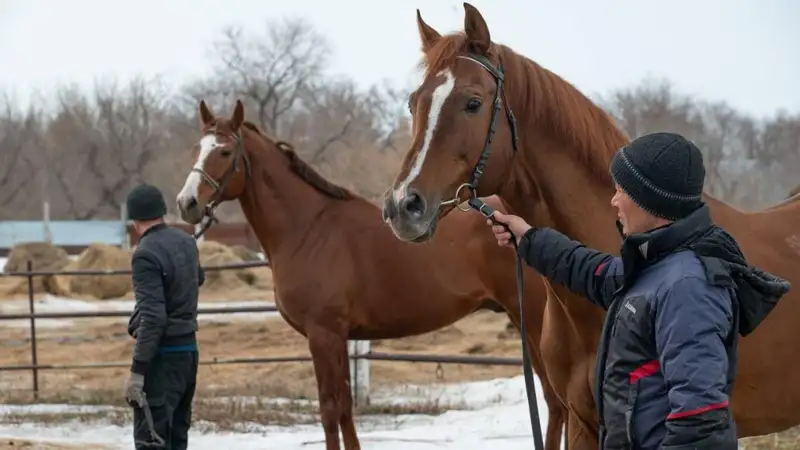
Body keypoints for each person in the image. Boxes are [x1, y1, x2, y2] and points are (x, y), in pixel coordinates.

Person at [488, 132, 791, 450]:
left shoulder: (689, 288)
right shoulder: (658, 265)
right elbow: (595, 273)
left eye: (622, 191)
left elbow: (700, 424)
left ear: (653, 202)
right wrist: (530, 240)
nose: (614, 201)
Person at [123, 183, 205, 450]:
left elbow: (154, 318)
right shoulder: (186, 242)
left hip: (162, 360)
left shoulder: (144, 254)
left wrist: (137, 371)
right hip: (189, 355)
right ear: (162, 212)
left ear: (134, 221)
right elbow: (198, 278)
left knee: (152, 441)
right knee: (177, 439)